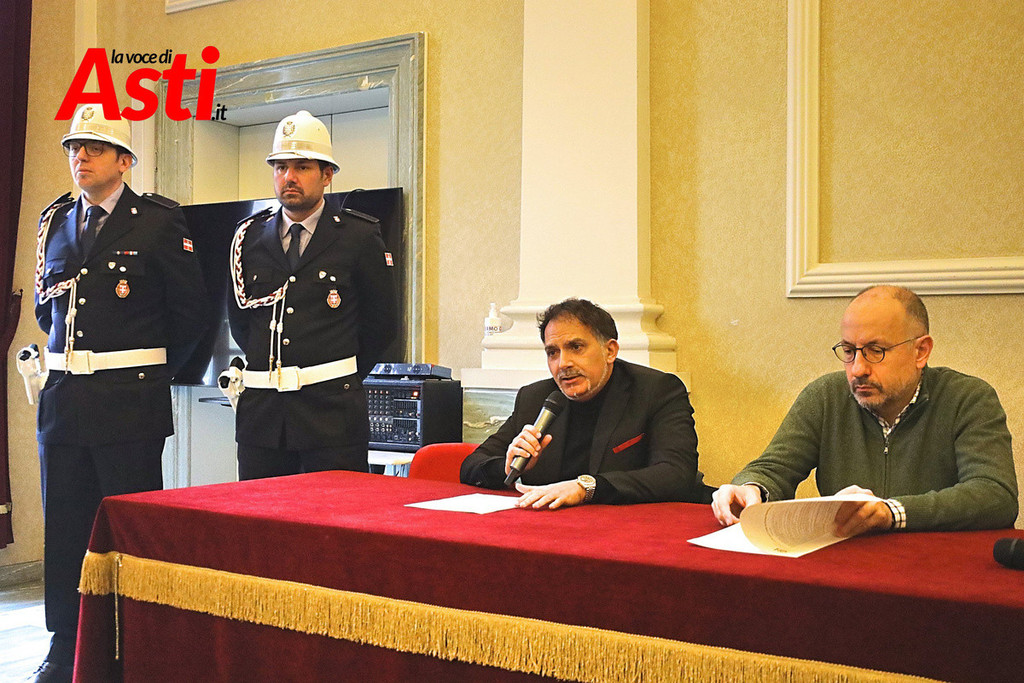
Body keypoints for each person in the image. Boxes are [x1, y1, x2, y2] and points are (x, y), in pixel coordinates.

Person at [31, 105, 209, 682]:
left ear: (124, 161)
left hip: (129, 406)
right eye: (73, 148)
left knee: (128, 532)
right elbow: (47, 311)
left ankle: (134, 642)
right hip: (64, 401)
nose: (79, 157)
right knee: (65, 529)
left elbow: (191, 318)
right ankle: (65, 643)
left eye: (93, 148)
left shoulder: (158, 222)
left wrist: (145, 377)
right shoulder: (56, 222)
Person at [712, 285, 1017, 535]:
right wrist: (750, 488)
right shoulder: (825, 397)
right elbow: (772, 469)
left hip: (938, 568)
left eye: (875, 351)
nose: (858, 369)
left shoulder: (968, 398)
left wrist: (891, 512)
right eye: (849, 351)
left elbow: (995, 495)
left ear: (920, 351)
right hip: (848, 567)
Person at [228, 110, 398, 479]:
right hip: (263, 420)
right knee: (261, 514)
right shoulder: (248, 237)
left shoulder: (358, 236)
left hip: (332, 417)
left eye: (302, 167)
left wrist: (335, 377)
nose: (288, 177)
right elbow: (241, 322)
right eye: (280, 167)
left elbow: (381, 324)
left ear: (327, 175)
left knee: (334, 515)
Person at [461, 298, 712, 508]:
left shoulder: (656, 391)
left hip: (632, 528)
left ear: (610, 351)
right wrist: (508, 467)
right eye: (552, 352)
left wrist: (586, 488)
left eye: (576, 347)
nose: (563, 363)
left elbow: (675, 474)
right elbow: (471, 465)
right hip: (555, 529)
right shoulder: (535, 398)